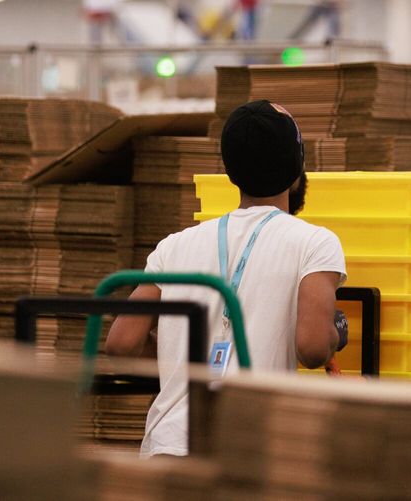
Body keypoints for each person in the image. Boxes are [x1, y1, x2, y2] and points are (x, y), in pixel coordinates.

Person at [105, 99, 347, 457]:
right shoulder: (314, 243)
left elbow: (120, 345)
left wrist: (177, 362)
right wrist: (333, 333)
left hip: (167, 447)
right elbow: (312, 349)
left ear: (230, 170)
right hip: (247, 450)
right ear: (297, 168)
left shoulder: (174, 246)